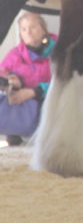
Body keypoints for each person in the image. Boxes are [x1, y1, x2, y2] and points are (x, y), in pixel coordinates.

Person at [0, 12, 56, 145]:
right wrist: (13, 81)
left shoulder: (58, 51)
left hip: (48, 99)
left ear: (44, 29)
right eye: (24, 29)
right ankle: (13, 132)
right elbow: (2, 73)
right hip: (22, 102)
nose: (28, 32)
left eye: (33, 27)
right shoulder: (15, 54)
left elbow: (66, 83)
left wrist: (34, 92)